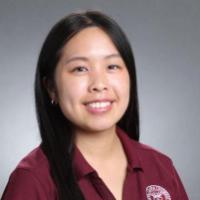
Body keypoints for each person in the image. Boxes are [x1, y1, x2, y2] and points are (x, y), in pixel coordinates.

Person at [1, 10, 188, 200]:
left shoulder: (160, 167)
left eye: (112, 66)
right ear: (51, 88)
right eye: (80, 69)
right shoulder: (32, 181)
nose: (99, 84)